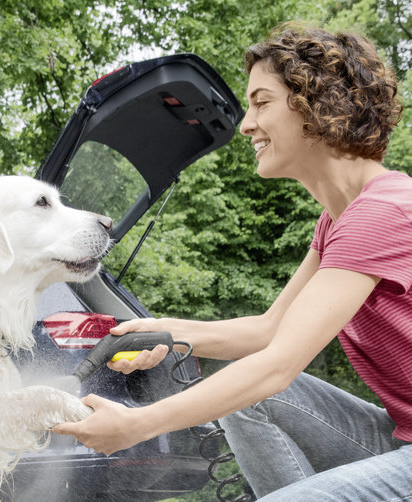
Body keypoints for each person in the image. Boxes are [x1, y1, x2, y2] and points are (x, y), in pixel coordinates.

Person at [53, 22, 412, 500]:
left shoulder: (383, 212)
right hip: (399, 439)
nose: (245, 124)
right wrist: (163, 329)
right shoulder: (338, 221)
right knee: (251, 400)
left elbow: (278, 363)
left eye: (262, 102)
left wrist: (137, 425)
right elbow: (268, 332)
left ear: (319, 105)